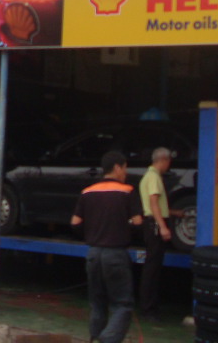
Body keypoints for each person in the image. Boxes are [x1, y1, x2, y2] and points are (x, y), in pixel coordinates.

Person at [71, 151, 143, 343]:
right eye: (125, 168)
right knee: (123, 304)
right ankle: (107, 339)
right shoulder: (127, 191)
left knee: (97, 303)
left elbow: (75, 223)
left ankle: (95, 338)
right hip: (116, 254)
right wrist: (124, 228)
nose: (126, 173)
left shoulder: (88, 192)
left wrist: (91, 233)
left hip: (93, 253)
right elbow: (138, 222)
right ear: (117, 168)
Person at [138, 147, 185, 322]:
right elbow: (154, 203)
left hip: (152, 222)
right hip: (154, 224)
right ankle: (148, 309)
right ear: (163, 160)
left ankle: (149, 306)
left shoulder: (149, 176)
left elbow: (157, 205)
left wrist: (173, 212)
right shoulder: (154, 177)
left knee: (153, 265)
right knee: (152, 267)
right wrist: (163, 226)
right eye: (168, 162)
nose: (169, 166)